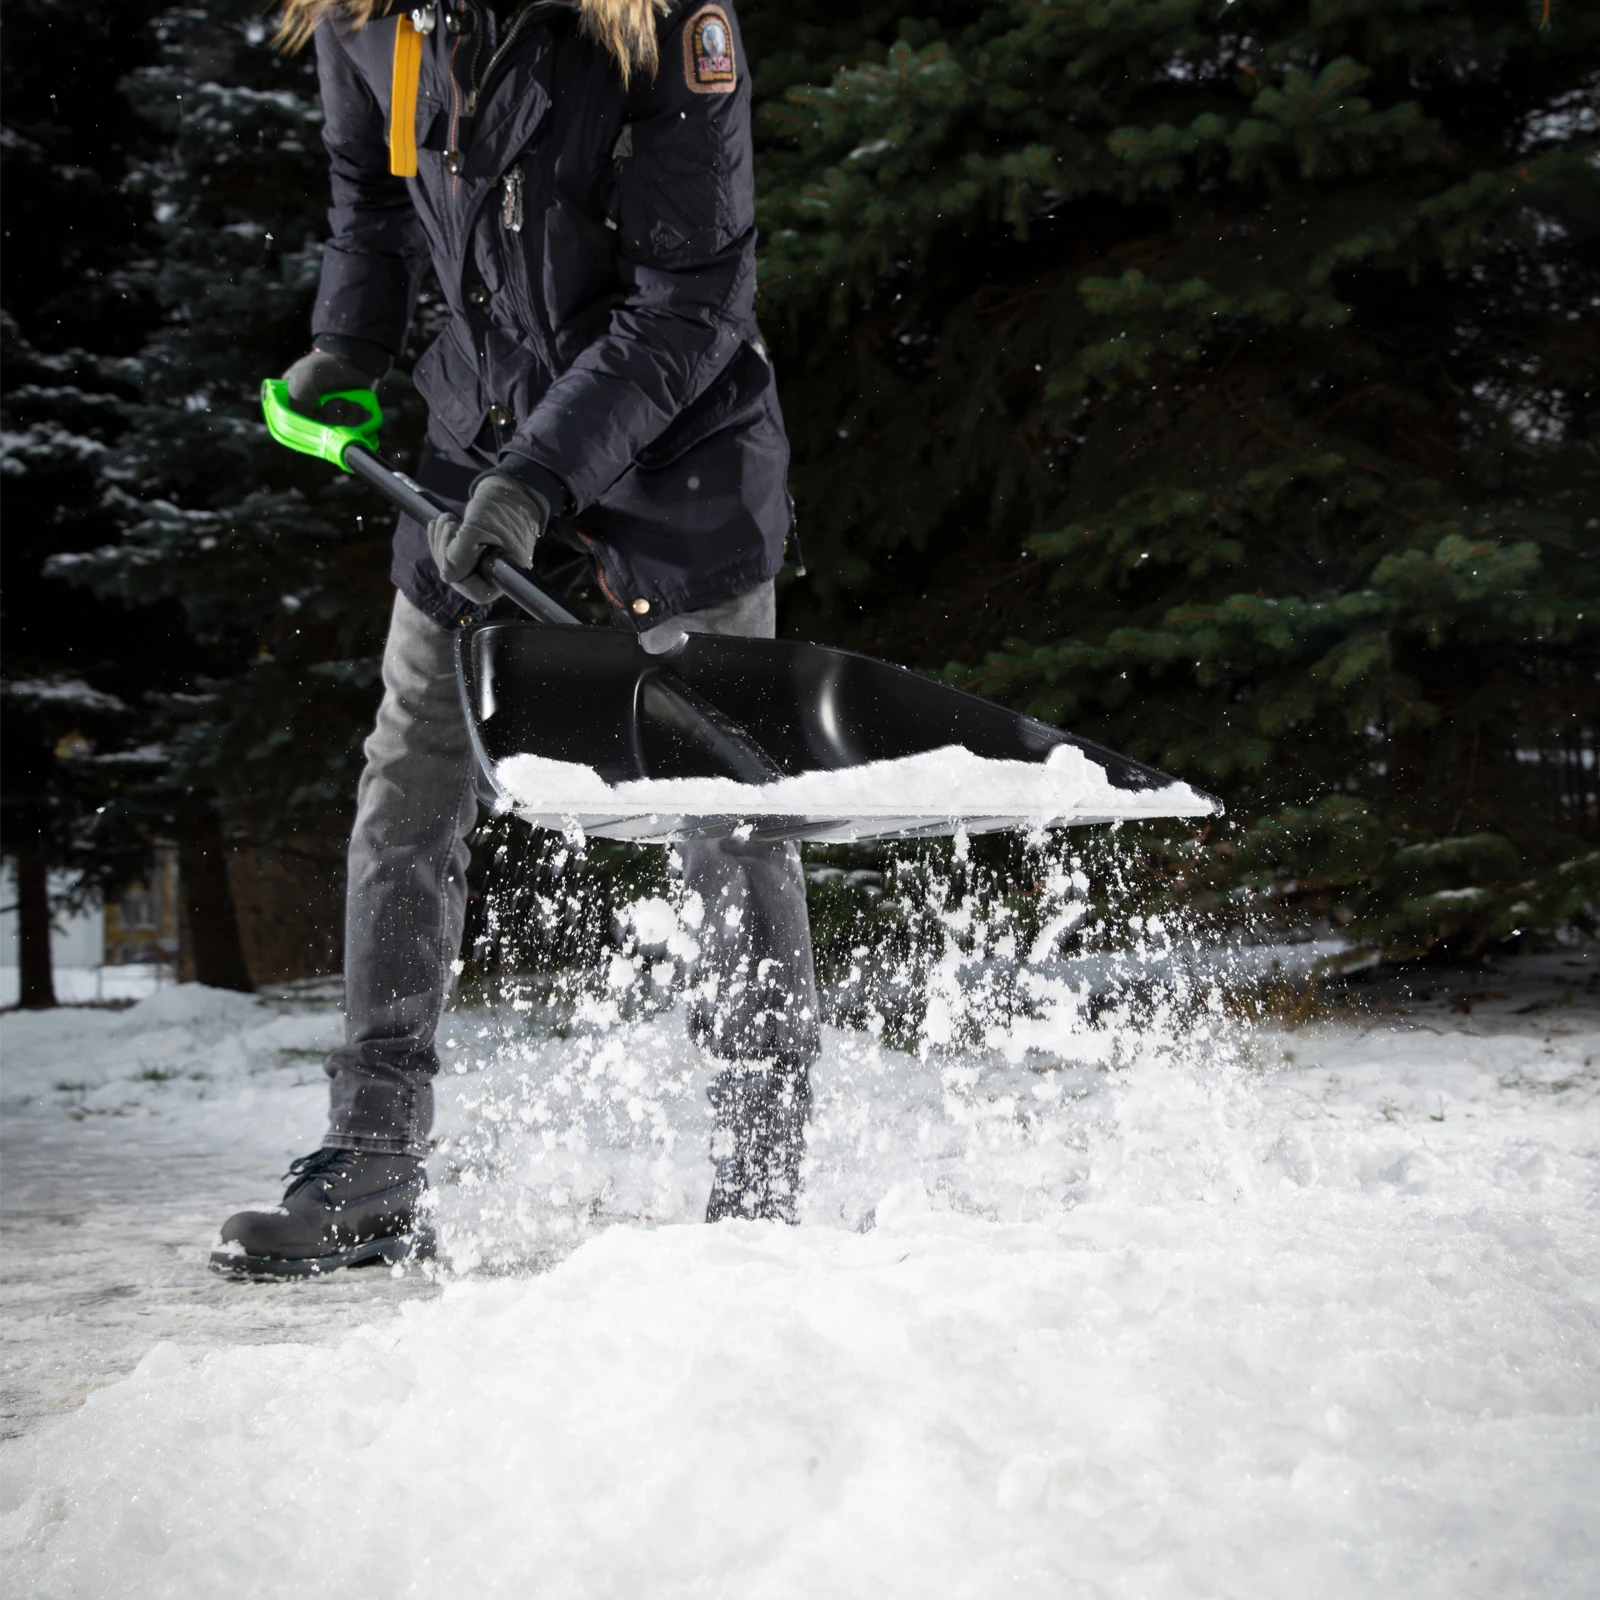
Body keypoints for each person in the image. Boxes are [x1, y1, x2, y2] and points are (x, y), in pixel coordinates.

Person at [213, 0, 819, 1278]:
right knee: (410, 778)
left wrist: (541, 479)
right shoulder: (362, 20)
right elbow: (369, 202)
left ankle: (760, 1179)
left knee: (725, 805)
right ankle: (372, 1156)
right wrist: (347, 344)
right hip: (476, 432)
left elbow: (693, 300)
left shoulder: (659, 23)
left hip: (679, 449)